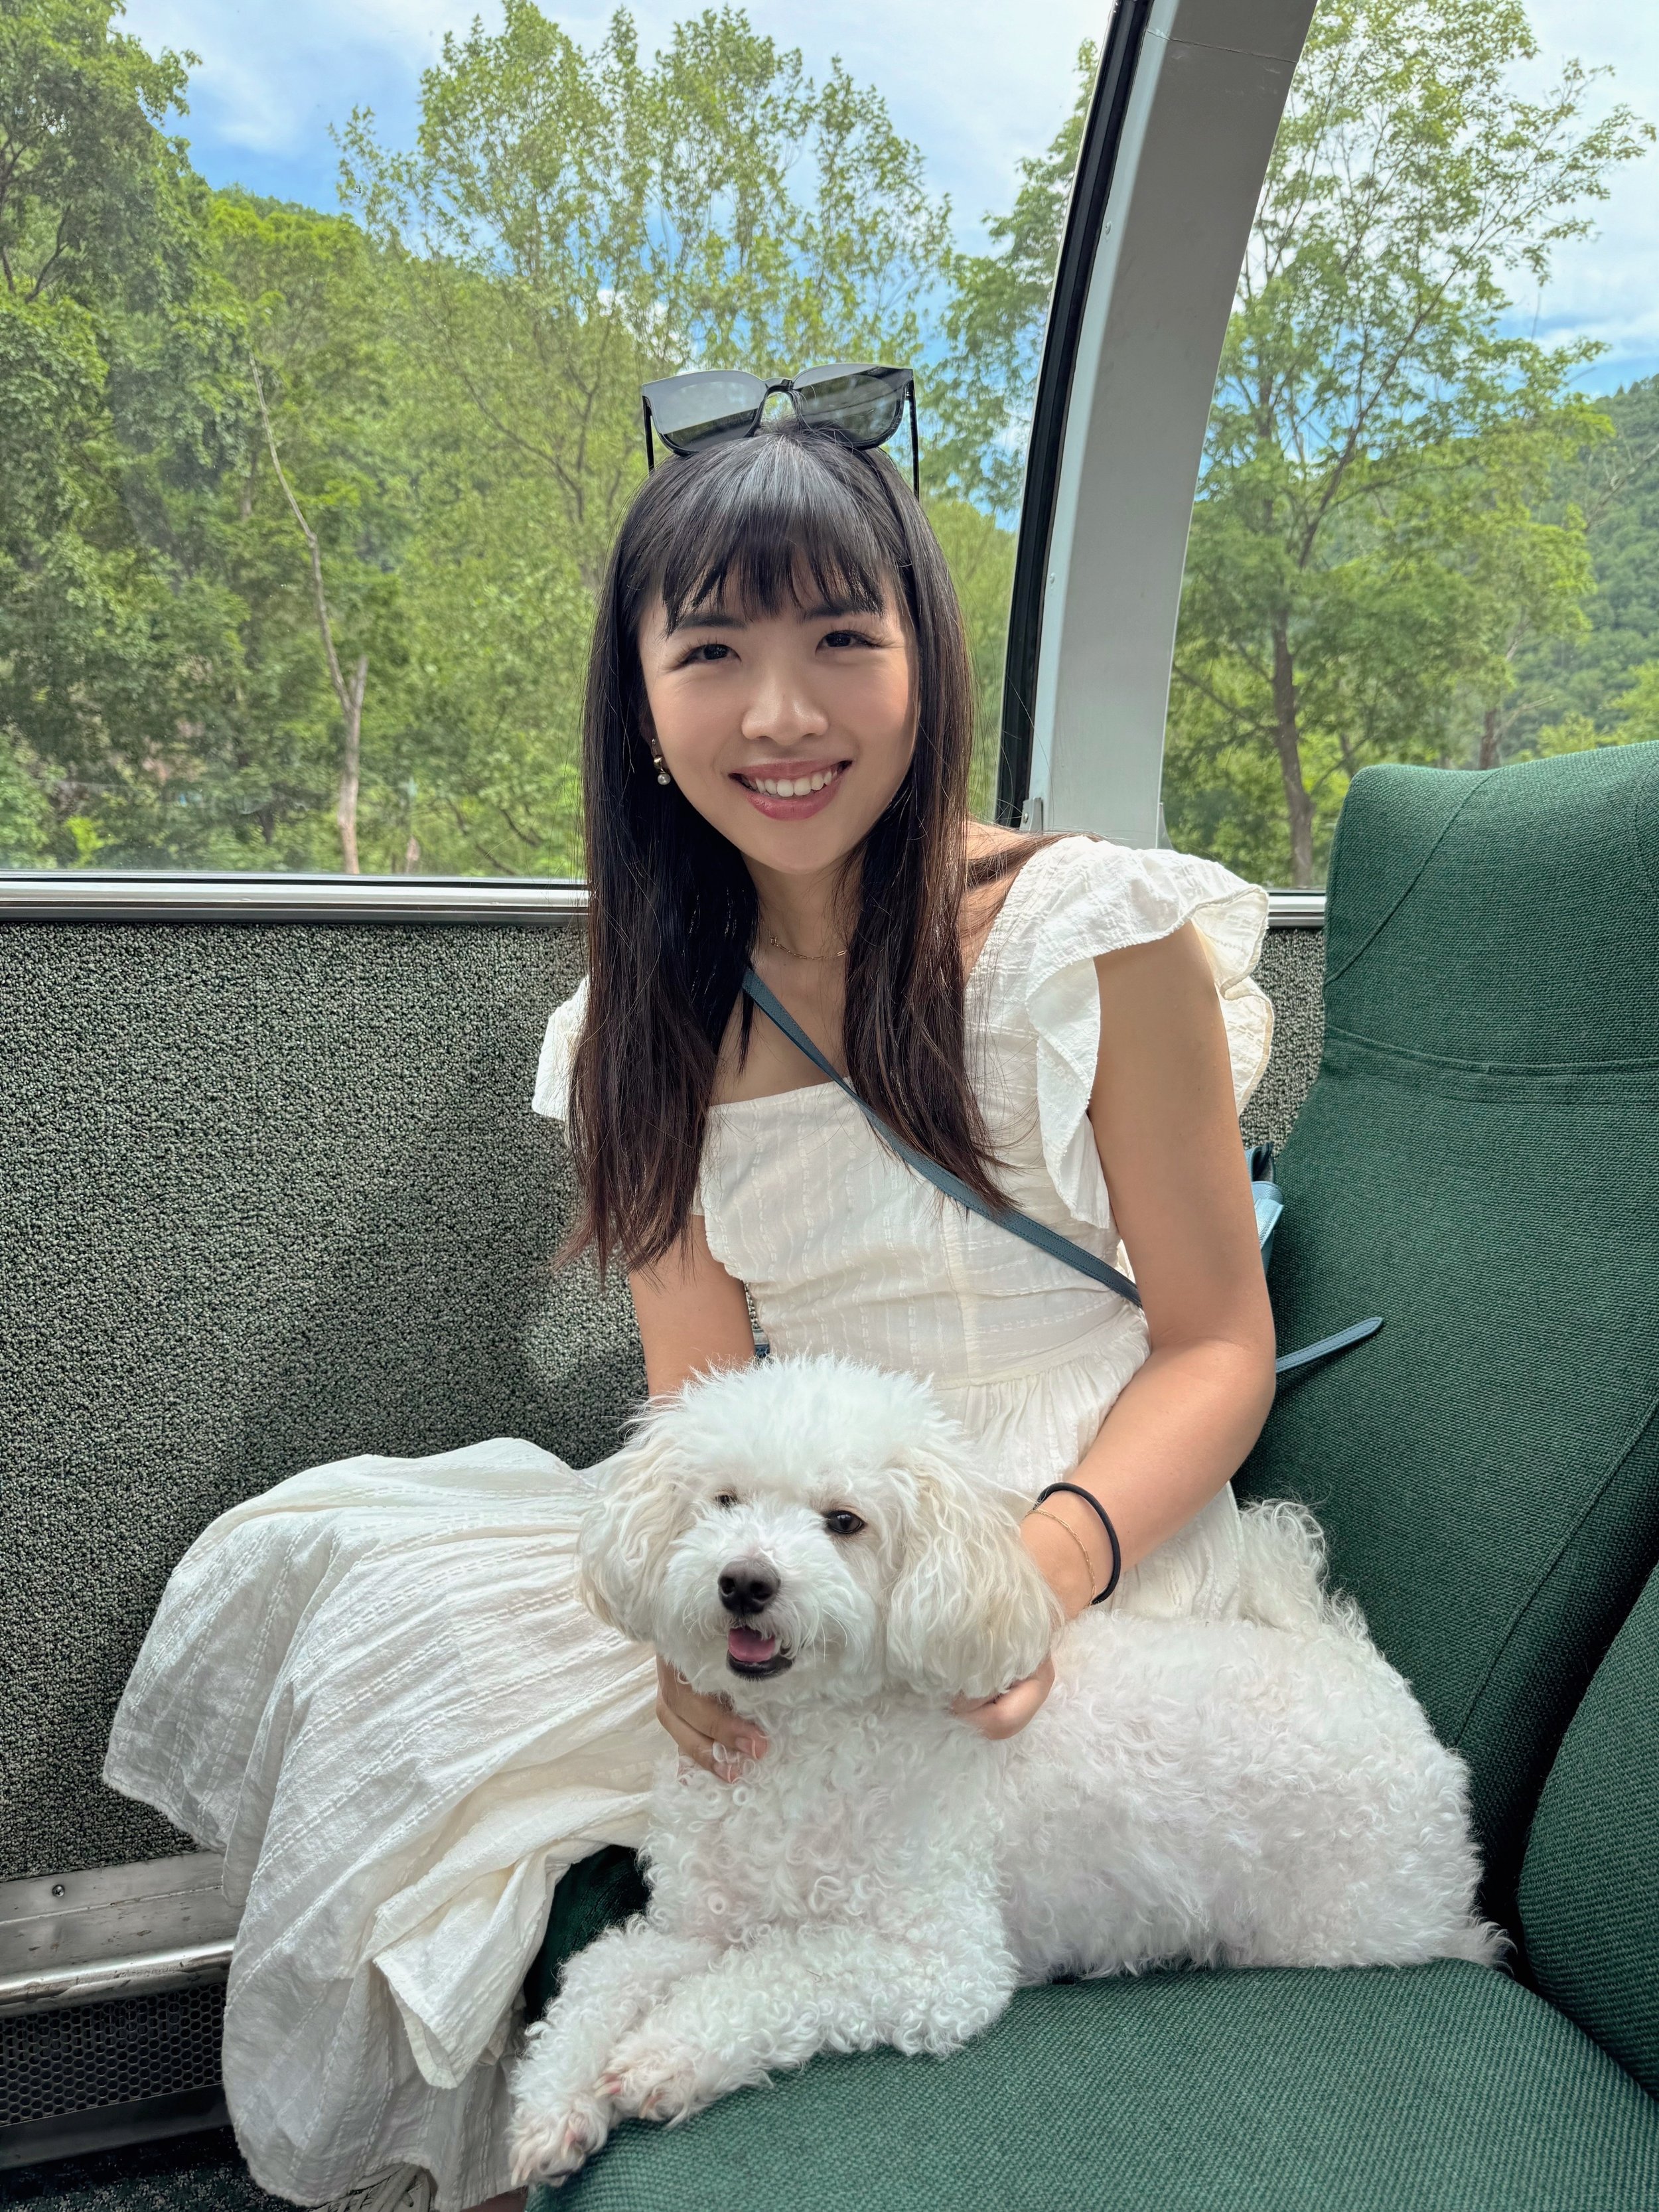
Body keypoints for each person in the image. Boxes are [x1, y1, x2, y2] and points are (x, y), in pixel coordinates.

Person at [107, 403, 1299, 2212]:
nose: (781, 715)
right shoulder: (632, 1030)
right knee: (361, 1593)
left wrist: (1034, 1573)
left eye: (840, 639)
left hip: (1068, 1511)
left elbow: (1218, 1342)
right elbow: (695, 1397)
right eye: (712, 653)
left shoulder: (1095, 935)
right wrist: (678, 1632)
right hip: (778, 1513)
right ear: (641, 706)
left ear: (925, 656)